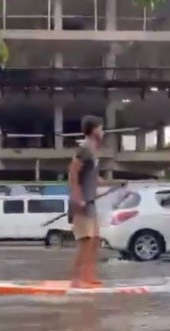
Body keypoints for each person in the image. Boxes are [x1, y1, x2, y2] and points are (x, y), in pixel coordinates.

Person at [68, 115, 107, 288]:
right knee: (85, 241)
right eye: (101, 128)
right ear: (93, 130)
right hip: (81, 203)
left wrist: (116, 183)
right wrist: (78, 197)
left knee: (95, 240)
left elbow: (95, 178)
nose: (103, 132)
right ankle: (76, 279)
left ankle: (88, 275)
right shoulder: (84, 150)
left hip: (90, 202)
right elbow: (72, 173)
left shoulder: (93, 152)